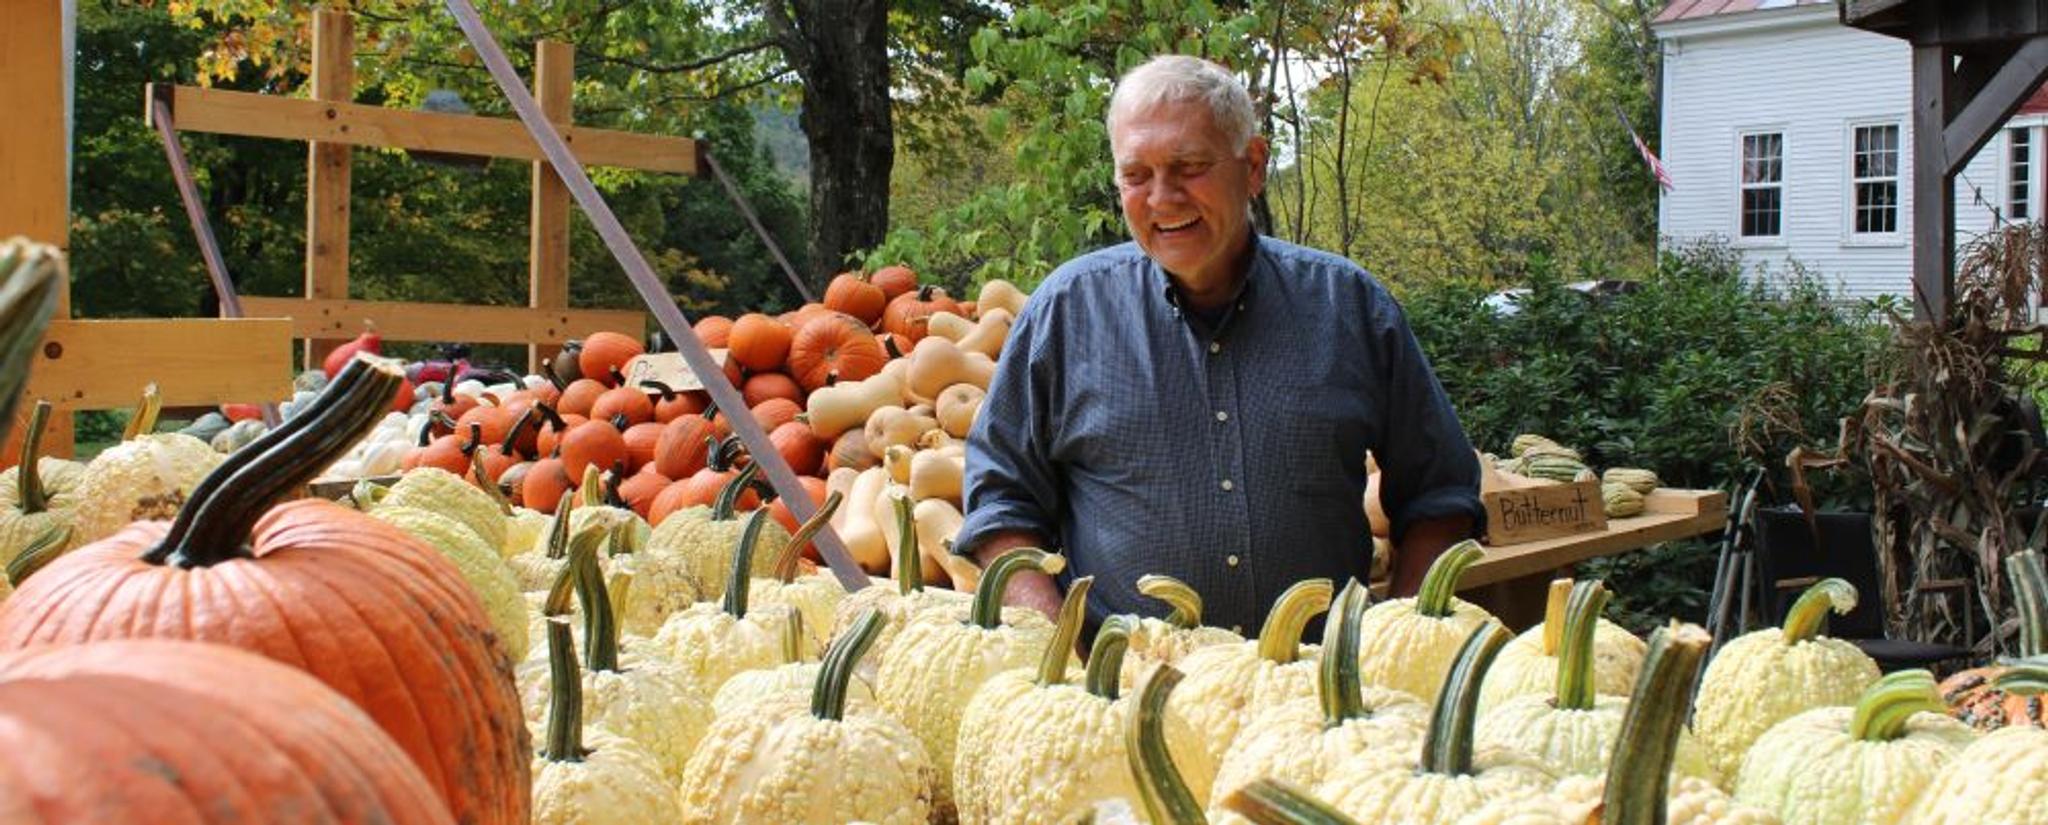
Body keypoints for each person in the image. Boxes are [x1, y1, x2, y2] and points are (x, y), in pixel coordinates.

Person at [953, 54, 1484, 634]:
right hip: (1125, 695)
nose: (1162, 198)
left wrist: (1393, 642)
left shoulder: (1348, 307)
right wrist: (1066, 660)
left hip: (1315, 703)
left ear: (1253, 166)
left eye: (1188, 166)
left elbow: (1441, 495)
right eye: (1136, 175)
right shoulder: (1067, 314)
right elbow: (1001, 504)